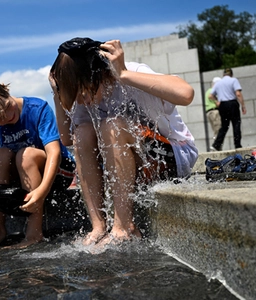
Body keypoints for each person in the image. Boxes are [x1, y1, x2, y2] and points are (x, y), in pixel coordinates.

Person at [49, 38, 198, 246]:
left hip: (173, 156)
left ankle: (123, 227)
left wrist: (125, 74)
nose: (83, 101)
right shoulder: (83, 96)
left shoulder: (129, 72)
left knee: (111, 125)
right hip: (136, 166)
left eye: (85, 92)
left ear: (101, 74)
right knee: (82, 133)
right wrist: (58, 94)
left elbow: (186, 94)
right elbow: (67, 139)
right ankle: (99, 225)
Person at [0, 75, 76, 249]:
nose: (7, 117)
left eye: (7, 107)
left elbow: (54, 153)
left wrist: (42, 191)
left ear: (5, 90)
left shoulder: (37, 108)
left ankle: (34, 232)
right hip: (23, 177)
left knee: (26, 155)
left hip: (58, 173)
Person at [209, 68, 246, 151]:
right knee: (236, 124)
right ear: (231, 74)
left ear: (223, 74)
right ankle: (237, 145)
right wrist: (243, 105)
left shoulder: (218, 83)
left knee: (224, 126)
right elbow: (238, 94)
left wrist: (216, 100)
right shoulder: (233, 80)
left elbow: (210, 95)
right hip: (232, 103)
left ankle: (216, 144)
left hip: (223, 105)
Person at [205, 77, 221, 144]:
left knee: (215, 129)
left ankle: (216, 144)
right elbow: (210, 96)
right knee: (218, 128)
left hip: (209, 112)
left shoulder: (208, 90)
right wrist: (217, 101)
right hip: (214, 111)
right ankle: (216, 145)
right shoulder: (212, 90)